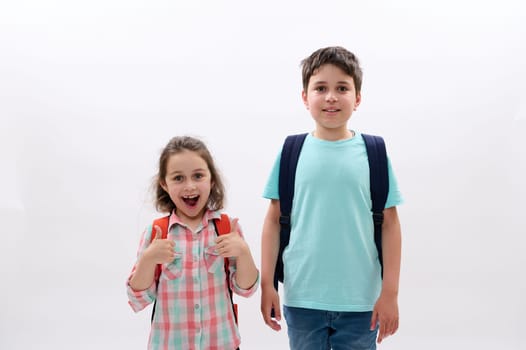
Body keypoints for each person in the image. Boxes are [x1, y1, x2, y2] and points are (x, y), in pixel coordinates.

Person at [260, 46, 403, 350]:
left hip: (362, 300)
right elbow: (274, 220)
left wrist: (390, 292)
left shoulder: (374, 152)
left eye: (342, 88)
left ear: (358, 98)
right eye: (320, 88)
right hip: (302, 298)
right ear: (304, 97)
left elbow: (390, 223)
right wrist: (267, 284)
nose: (331, 97)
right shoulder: (291, 152)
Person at [127, 136, 259, 350]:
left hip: (222, 343)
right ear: (164, 183)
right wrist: (148, 259)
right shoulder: (157, 232)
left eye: (198, 176)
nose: (189, 186)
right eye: (178, 178)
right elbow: (137, 298)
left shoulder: (227, 228)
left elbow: (246, 289)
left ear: (211, 179)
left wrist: (244, 253)